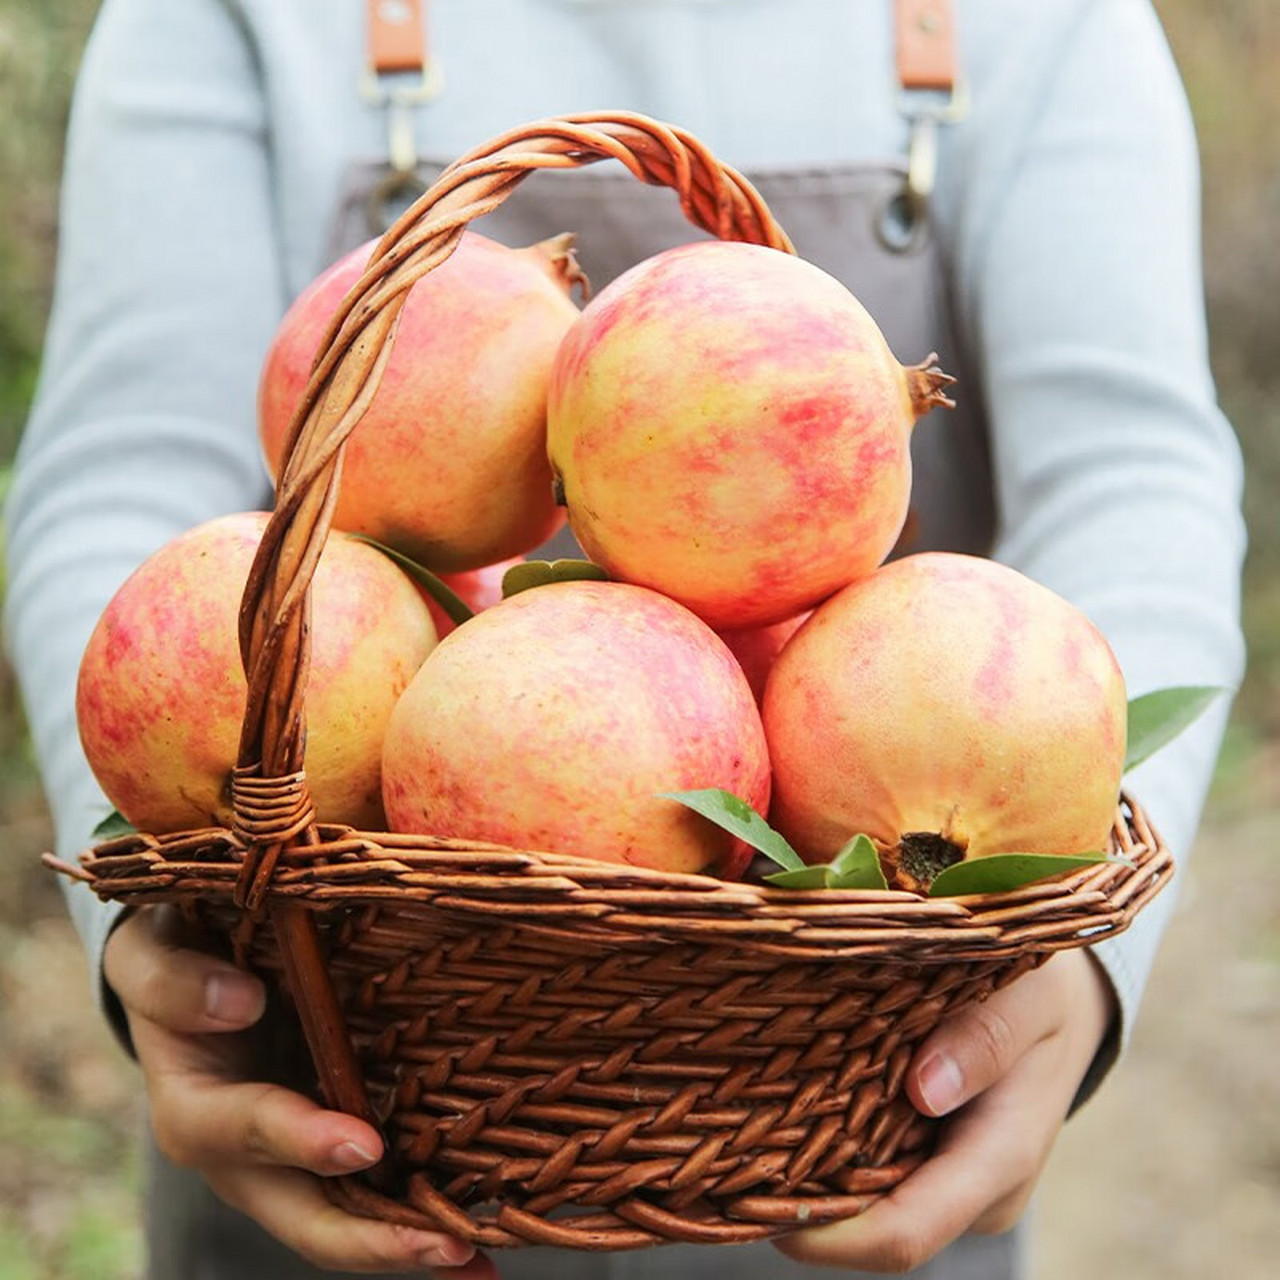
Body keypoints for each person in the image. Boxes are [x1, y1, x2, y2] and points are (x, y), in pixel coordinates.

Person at [3, 0, 1245, 1277]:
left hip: (858, 1092)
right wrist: (154, 940)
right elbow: (121, 465)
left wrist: (1079, 961)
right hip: (336, 1063)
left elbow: (1134, 476)